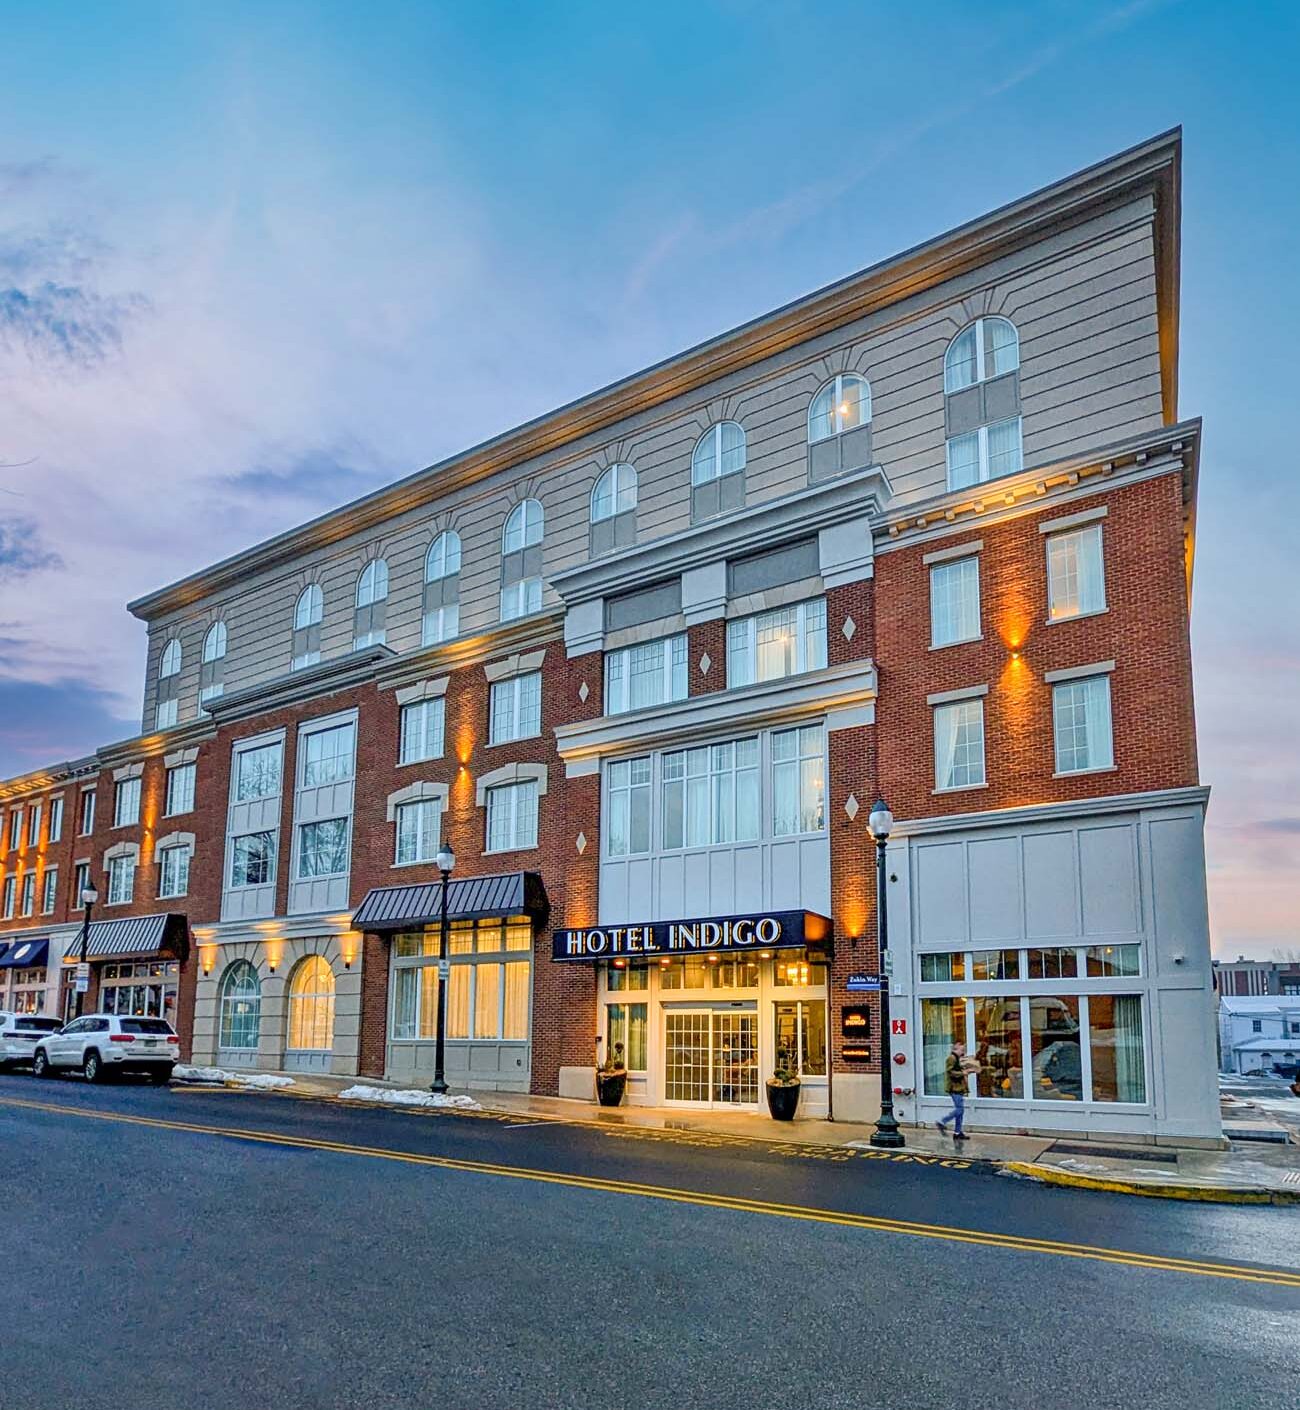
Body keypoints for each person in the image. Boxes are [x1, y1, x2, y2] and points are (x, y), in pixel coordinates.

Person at [937, 1040, 973, 1141]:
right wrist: (963, 1073)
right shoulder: (951, 1058)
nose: (963, 1051)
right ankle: (942, 1121)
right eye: (961, 1049)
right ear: (955, 1049)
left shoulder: (957, 1058)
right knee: (960, 1109)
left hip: (959, 1087)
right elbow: (950, 1072)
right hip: (954, 1088)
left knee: (960, 1111)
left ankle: (957, 1132)